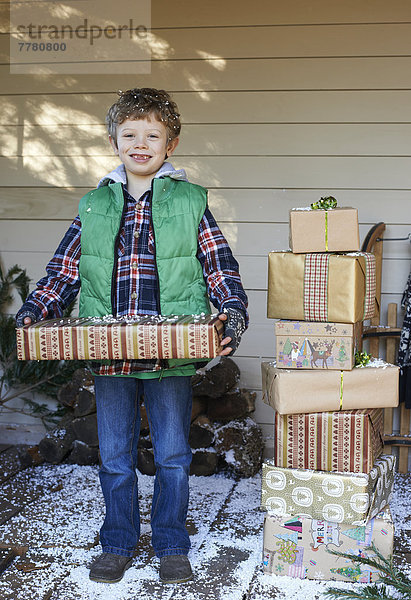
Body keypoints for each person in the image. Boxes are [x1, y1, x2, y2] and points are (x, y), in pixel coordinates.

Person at [16, 88, 248, 585]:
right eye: (130, 134)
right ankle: (117, 541)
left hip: (172, 355)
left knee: (172, 454)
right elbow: (66, 267)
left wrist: (232, 310)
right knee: (116, 455)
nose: (140, 144)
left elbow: (218, 264)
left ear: (172, 143)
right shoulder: (96, 205)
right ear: (113, 140)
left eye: (153, 135)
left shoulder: (190, 202)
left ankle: (170, 544)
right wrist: (37, 308)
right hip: (109, 352)